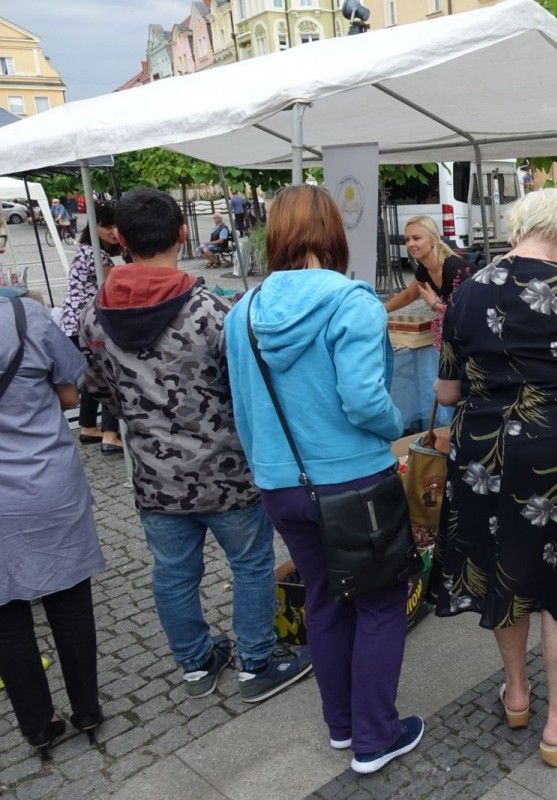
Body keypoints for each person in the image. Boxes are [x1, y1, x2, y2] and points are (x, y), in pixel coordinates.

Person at [431, 188, 557, 768]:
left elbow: (446, 392)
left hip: (481, 454)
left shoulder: (465, 291)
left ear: (515, 228)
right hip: (556, 450)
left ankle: (517, 695)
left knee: (506, 565)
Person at [79, 188, 311, 704]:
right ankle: (256, 663)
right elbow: (245, 384)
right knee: (250, 565)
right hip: (225, 471)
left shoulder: (94, 316)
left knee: (173, 572)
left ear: (119, 238)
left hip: (154, 478)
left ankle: (195, 664)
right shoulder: (211, 310)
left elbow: (97, 391)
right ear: (183, 234)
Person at [224, 185, 421, 775]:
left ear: (274, 234)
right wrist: (394, 424)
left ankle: (342, 727)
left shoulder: (243, 311)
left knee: (325, 599)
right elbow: (364, 400)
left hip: (282, 485)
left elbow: (242, 408)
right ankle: (374, 737)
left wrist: (270, 469)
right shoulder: (351, 301)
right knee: (383, 603)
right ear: (333, 232)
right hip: (353, 481)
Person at [0, 295, 106, 761]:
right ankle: (86, 709)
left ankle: (38, 726)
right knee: (69, 602)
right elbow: (70, 393)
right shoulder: (26, 315)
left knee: (5, 616)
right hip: (46, 482)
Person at [58, 201, 124, 455]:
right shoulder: (94, 254)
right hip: (86, 326)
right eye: (106, 226)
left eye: (115, 226)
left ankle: (87, 427)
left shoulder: (88, 250)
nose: (111, 231)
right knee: (109, 374)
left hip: (74, 326)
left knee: (92, 377)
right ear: (94, 227)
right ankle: (109, 435)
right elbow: (116, 286)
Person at [383, 214, 475, 347]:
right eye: (407, 240)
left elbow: (470, 311)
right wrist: (380, 309)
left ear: (434, 239)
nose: (410, 244)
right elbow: (409, 294)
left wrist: (436, 305)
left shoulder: (455, 269)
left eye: (416, 238)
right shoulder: (425, 268)